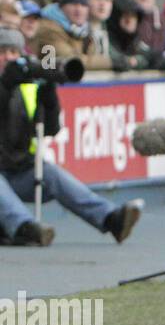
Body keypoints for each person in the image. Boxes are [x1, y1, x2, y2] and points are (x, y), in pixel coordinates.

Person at [0, 26, 144, 246]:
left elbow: (50, 130)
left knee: (50, 173)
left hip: (15, 171)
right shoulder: (9, 84)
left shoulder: (24, 87)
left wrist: (49, 98)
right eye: (3, 51)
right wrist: (5, 87)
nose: (9, 58)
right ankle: (24, 227)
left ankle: (110, 218)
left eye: (14, 52)